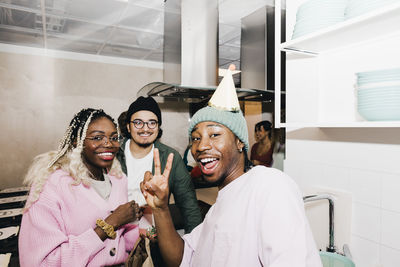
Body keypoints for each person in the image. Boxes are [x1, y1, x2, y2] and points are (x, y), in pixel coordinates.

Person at [140, 66, 323, 267]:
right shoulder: (217, 209)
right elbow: (182, 258)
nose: (200, 146)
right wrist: (161, 209)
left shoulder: (269, 185)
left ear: (239, 142)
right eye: (195, 138)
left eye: (215, 134)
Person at [19, 108, 141, 267]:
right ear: (77, 141)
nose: (109, 144)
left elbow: (127, 240)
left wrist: (148, 216)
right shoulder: (51, 186)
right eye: (97, 137)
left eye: (114, 137)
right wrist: (109, 225)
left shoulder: (119, 180)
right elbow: (43, 262)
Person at [116, 96, 202, 233]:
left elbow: (188, 205)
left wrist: (195, 245)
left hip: (153, 238)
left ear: (158, 126)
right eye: (138, 122)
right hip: (115, 236)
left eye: (152, 123)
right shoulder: (114, 154)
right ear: (128, 126)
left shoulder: (169, 157)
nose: (145, 129)